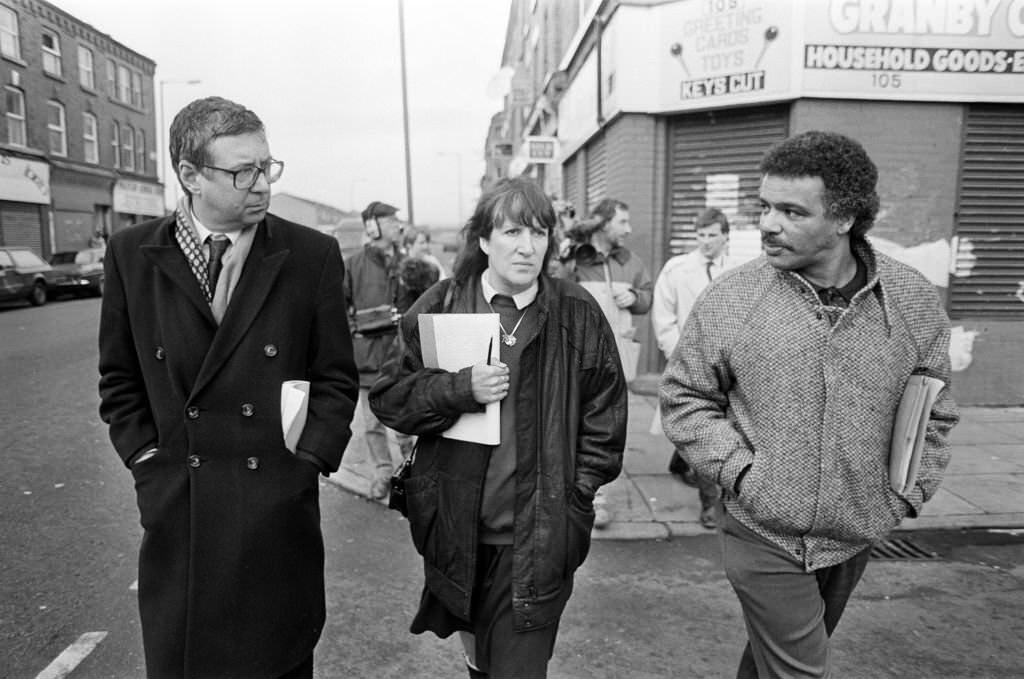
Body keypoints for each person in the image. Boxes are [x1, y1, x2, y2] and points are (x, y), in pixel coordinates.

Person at [660, 130, 959, 678]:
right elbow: (684, 398)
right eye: (765, 207)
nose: (769, 224)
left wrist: (906, 494)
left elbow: (935, 408)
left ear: (844, 218)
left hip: (856, 530)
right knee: (801, 670)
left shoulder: (912, 300)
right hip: (762, 530)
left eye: (792, 211)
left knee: (774, 661)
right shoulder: (732, 298)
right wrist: (745, 476)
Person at [98, 96, 359, 679]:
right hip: (181, 511)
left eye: (267, 167)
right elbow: (119, 380)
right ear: (189, 175)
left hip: (274, 511)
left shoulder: (310, 254)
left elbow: (337, 378)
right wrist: (149, 462)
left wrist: (305, 463)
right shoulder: (131, 254)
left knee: (277, 661)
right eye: (242, 171)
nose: (261, 184)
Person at [369, 177, 627, 678]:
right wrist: (458, 389)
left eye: (538, 233)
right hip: (456, 529)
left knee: (517, 668)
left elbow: (606, 414)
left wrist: (578, 494)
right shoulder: (442, 304)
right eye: (511, 232)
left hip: (540, 535)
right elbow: (390, 399)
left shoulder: (576, 312)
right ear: (484, 239)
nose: (526, 247)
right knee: (480, 663)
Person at [562, 197, 652, 528]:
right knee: (575, 426)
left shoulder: (631, 262)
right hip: (578, 359)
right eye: (622, 223)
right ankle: (584, 495)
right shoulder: (575, 260)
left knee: (606, 432)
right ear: (603, 223)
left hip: (618, 361)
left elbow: (647, 295)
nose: (628, 230)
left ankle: (598, 497)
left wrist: (637, 298)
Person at [651, 207, 743, 529]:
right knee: (703, 431)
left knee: (726, 432)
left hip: (731, 366)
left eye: (712, 235)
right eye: (701, 235)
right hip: (692, 366)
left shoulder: (740, 270)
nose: (705, 242)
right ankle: (710, 503)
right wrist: (681, 356)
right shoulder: (677, 270)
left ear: (725, 236)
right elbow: (664, 318)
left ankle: (682, 461)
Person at [344, 201, 415, 499]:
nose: (396, 226)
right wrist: (368, 322)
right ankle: (382, 473)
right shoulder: (352, 266)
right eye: (389, 221)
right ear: (372, 227)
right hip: (368, 359)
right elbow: (338, 310)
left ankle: (413, 470)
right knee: (373, 424)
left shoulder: (407, 263)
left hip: (402, 356)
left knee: (407, 422)